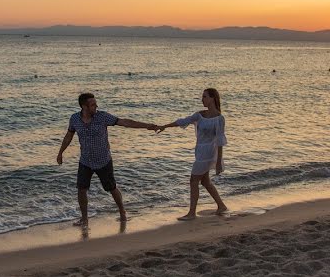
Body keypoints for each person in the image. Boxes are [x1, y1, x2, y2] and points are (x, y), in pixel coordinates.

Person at [57, 92, 158, 226]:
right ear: (84, 106)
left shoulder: (102, 117)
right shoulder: (74, 119)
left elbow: (124, 122)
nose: (96, 106)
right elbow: (68, 136)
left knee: (111, 188)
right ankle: (84, 219)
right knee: (81, 190)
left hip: (104, 161)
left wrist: (146, 125)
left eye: (95, 103)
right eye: (93, 104)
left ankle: (122, 212)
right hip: (85, 161)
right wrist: (60, 153)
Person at [156, 88, 228, 221]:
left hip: (209, 153)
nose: (202, 99)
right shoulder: (199, 115)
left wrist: (218, 161)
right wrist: (164, 126)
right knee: (205, 181)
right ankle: (221, 206)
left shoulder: (219, 118)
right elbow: (183, 121)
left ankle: (191, 213)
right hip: (200, 151)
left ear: (213, 98)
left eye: (205, 97)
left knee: (193, 180)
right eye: (202, 97)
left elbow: (220, 140)